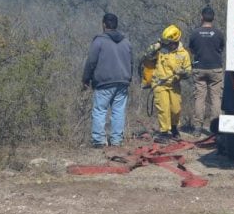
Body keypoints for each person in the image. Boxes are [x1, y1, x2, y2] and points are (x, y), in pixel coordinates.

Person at [82, 13, 133, 147]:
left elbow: (91, 62)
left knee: (100, 110)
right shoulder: (126, 41)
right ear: (116, 25)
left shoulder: (99, 41)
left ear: (104, 24)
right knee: (118, 111)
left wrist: (86, 79)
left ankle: (99, 141)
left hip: (104, 82)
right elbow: (131, 62)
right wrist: (129, 78)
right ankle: (116, 140)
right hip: (123, 81)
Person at [142, 24, 191, 143]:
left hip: (174, 85)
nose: (167, 44)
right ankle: (164, 132)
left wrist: (182, 73)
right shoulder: (160, 50)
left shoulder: (183, 53)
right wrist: (158, 44)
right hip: (160, 84)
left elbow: (188, 72)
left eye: (169, 42)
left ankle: (174, 129)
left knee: (175, 109)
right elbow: (147, 55)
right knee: (163, 109)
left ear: (175, 41)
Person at [187, 7, 225, 136]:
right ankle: (216, 128)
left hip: (199, 68)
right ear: (213, 18)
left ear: (201, 17)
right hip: (215, 68)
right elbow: (221, 48)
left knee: (199, 98)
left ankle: (197, 128)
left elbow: (191, 50)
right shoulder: (219, 33)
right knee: (216, 98)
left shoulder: (195, 33)